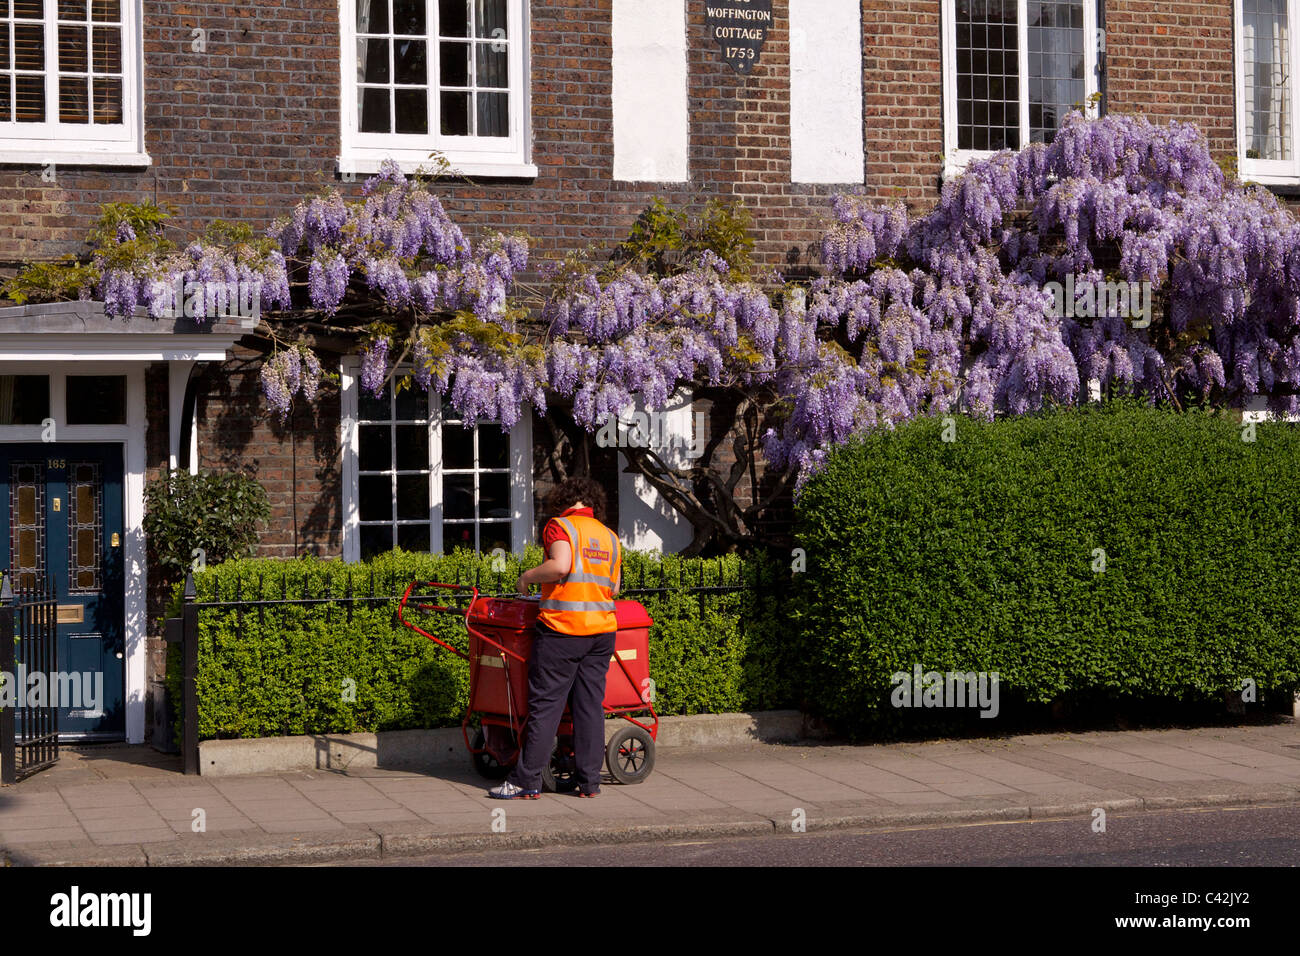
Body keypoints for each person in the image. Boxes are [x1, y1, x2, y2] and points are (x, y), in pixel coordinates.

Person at [488, 477, 622, 799]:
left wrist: (527, 578)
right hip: (602, 633)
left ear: (564, 501)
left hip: (563, 630)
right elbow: (613, 589)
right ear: (592, 504)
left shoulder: (559, 526)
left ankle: (526, 780)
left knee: (545, 706)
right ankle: (589, 783)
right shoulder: (609, 536)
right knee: (589, 707)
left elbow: (560, 566)